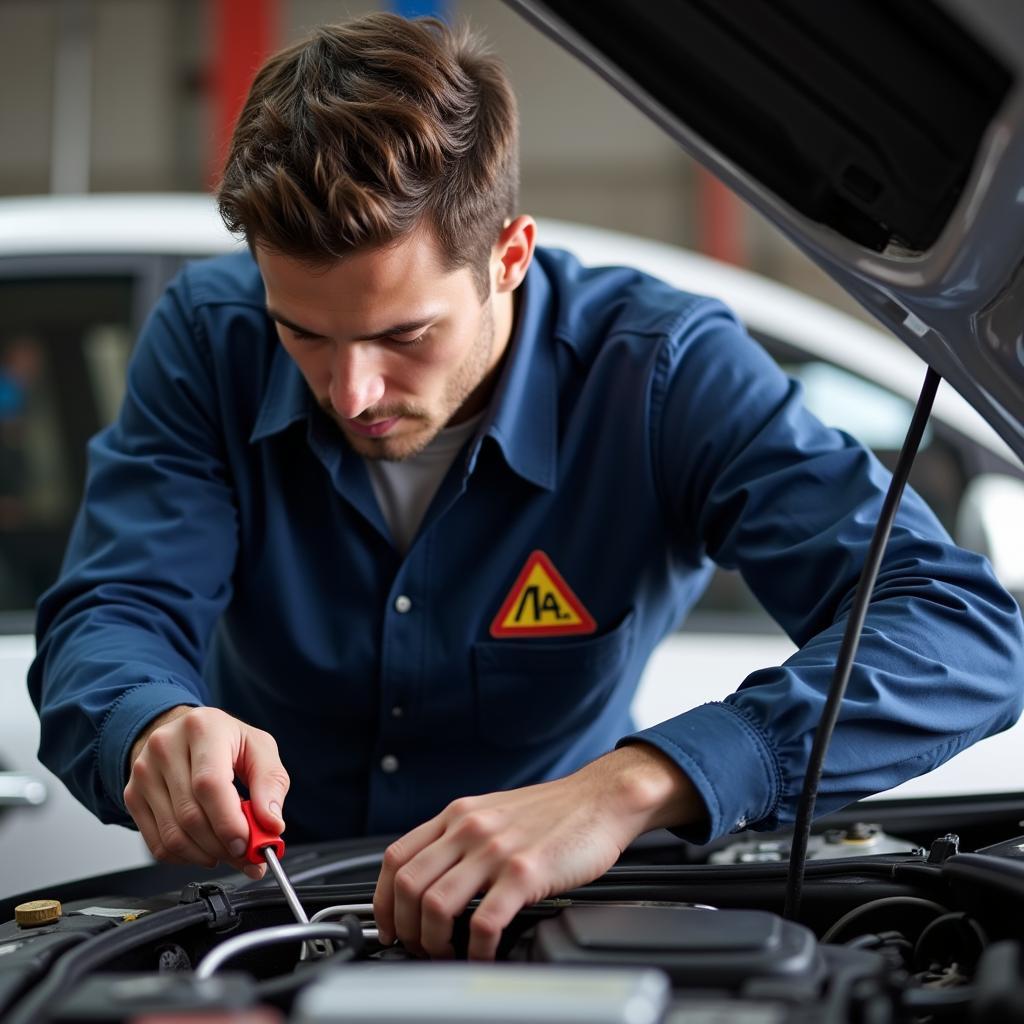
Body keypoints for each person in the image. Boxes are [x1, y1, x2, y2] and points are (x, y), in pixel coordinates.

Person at [29, 13, 1024, 961]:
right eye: (305, 334)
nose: (351, 391)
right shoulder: (210, 339)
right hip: (261, 932)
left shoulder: (662, 374)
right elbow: (114, 608)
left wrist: (636, 783)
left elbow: (960, 631)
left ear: (508, 255)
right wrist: (151, 722)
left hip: (555, 937)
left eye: (402, 334)